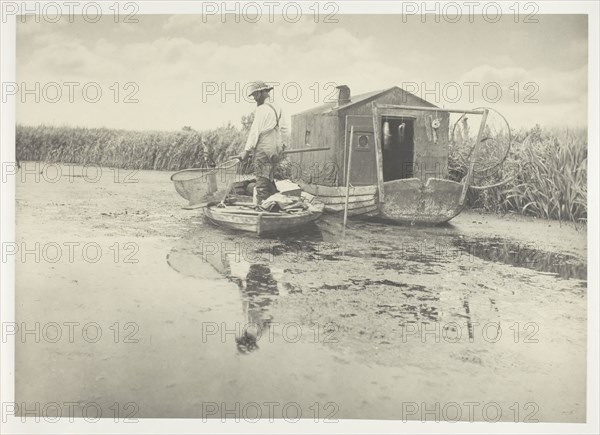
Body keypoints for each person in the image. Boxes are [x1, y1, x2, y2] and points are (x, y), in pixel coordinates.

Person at [237, 81, 288, 205]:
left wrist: (247, 151)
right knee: (269, 179)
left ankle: (262, 211)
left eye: (255, 95)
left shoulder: (262, 109)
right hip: (275, 150)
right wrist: (283, 147)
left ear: (262, 92)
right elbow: (284, 129)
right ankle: (275, 206)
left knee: (261, 184)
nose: (254, 98)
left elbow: (255, 132)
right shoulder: (278, 107)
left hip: (264, 150)